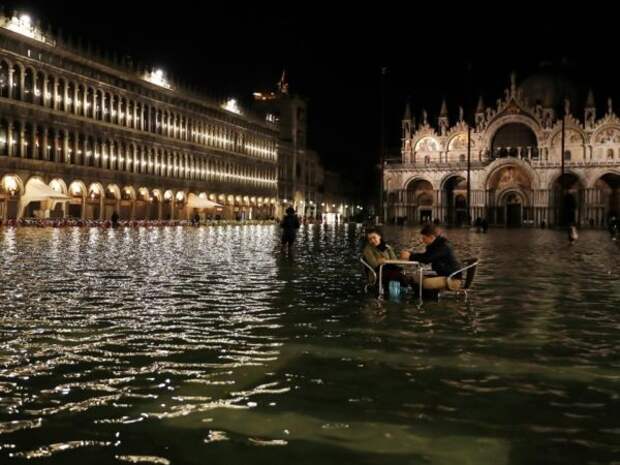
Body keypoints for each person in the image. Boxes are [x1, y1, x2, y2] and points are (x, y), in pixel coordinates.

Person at [400, 223, 462, 291]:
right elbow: (425, 256)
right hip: (444, 275)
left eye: (424, 238)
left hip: (452, 279)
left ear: (432, 237)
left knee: (426, 283)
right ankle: (421, 296)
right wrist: (410, 254)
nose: (423, 240)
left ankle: (427, 298)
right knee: (414, 278)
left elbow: (427, 258)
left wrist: (410, 256)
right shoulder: (436, 245)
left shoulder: (443, 246)